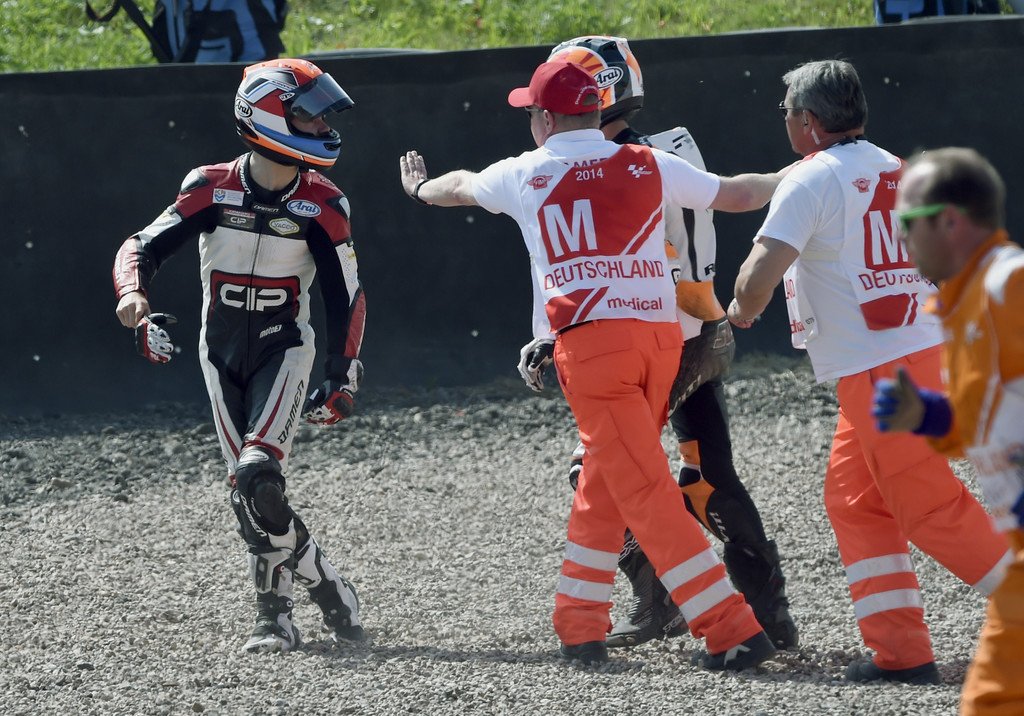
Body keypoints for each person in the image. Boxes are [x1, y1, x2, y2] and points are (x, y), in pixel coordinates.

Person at [399, 59, 787, 669]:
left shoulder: (525, 171)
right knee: (605, 482)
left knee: (646, 492)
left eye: (531, 112)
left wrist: (418, 189)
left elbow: (459, 186)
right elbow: (738, 192)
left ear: (546, 118)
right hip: (660, 343)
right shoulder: (645, 161)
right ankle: (579, 625)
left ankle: (731, 629)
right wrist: (800, 172)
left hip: (594, 350)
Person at [727, 59, 1012, 684]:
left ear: (808, 122)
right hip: (921, 355)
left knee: (930, 509)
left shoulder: (810, 180)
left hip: (883, 370)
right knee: (854, 501)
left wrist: (739, 312)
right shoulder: (898, 169)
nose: (784, 122)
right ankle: (900, 652)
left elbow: (757, 275)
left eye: (785, 113)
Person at [516, 35, 797, 651]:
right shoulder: (663, 149)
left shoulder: (622, 160)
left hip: (668, 335)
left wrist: (562, 332)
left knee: (601, 469)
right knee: (705, 474)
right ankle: (769, 612)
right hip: (695, 329)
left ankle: (663, 601)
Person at [112, 58, 367, 653]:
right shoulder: (209, 186)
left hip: (286, 350)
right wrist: (132, 297)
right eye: (308, 115)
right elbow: (141, 245)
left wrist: (342, 375)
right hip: (217, 353)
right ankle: (309, 595)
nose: (323, 126)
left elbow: (347, 296)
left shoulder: (326, 204)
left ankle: (288, 612)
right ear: (266, 117)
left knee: (257, 474)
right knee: (250, 495)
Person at [872, 147, 1024, 715]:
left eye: (907, 222)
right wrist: (929, 417)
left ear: (950, 221)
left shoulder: (1009, 285)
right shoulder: (964, 304)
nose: (899, 238)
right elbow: (990, 420)